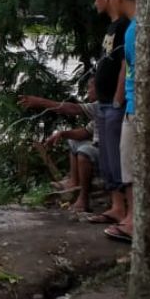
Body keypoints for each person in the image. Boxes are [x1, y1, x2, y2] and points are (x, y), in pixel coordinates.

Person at [87, 0, 131, 227]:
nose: (95, 1)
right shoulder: (112, 28)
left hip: (113, 104)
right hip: (103, 102)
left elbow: (125, 65)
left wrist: (117, 98)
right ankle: (116, 206)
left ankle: (125, 210)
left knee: (117, 157)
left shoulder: (125, 27)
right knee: (107, 158)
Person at [20, 80, 101, 213]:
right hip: (100, 149)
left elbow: (71, 108)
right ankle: (74, 182)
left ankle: (83, 198)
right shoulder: (98, 108)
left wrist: (40, 102)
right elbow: (85, 132)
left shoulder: (101, 105)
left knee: (84, 151)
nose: (88, 91)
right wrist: (63, 134)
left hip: (109, 154)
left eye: (90, 87)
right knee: (73, 142)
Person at [103, 0, 138, 244]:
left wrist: (120, 99)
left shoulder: (134, 28)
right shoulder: (134, 27)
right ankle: (130, 218)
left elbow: (132, 68)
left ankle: (133, 221)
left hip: (134, 106)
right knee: (127, 164)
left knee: (129, 165)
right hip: (130, 105)